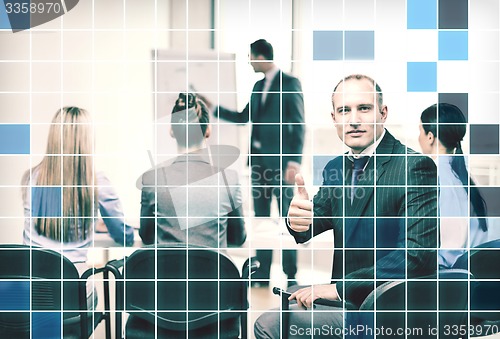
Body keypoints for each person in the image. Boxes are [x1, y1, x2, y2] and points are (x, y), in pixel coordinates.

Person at [254, 74, 438, 338]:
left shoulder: (413, 167)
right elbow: (307, 225)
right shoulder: (336, 169)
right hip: (347, 304)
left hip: (389, 309)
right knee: (285, 306)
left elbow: (417, 256)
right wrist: (295, 219)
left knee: (269, 324)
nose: (353, 120)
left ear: (383, 113)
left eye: (364, 108)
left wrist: (339, 288)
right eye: (344, 110)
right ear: (334, 119)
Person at [22, 106, 135, 308]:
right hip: (73, 299)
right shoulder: (96, 180)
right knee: (94, 288)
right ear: (86, 140)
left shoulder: (31, 179)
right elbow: (121, 235)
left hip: (33, 297)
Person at [214, 39, 305, 286]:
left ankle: (291, 275)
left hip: (281, 164)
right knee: (262, 220)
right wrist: (214, 110)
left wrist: (295, 160)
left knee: (288, 220)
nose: (249, 61)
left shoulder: (290, 83)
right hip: (257, 166)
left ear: (261, 56)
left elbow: (298, 124)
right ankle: (262, 273)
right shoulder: (257, 86)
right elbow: (244, 117)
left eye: (251, 56)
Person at [140, 92, 245, 248]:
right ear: (208, 131)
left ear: (172, 131)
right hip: (214, 271)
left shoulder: (151, 179)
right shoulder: (229, 179)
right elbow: (237, 238)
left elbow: (147, 237)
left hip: (168, 271)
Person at [419, 103, 488, 268]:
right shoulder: (460, 175)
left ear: (430, 136)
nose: (418, 137)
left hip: (445, 276)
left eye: (419, 131)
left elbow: (450, 249)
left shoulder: (437, 175)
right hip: (467, 273)